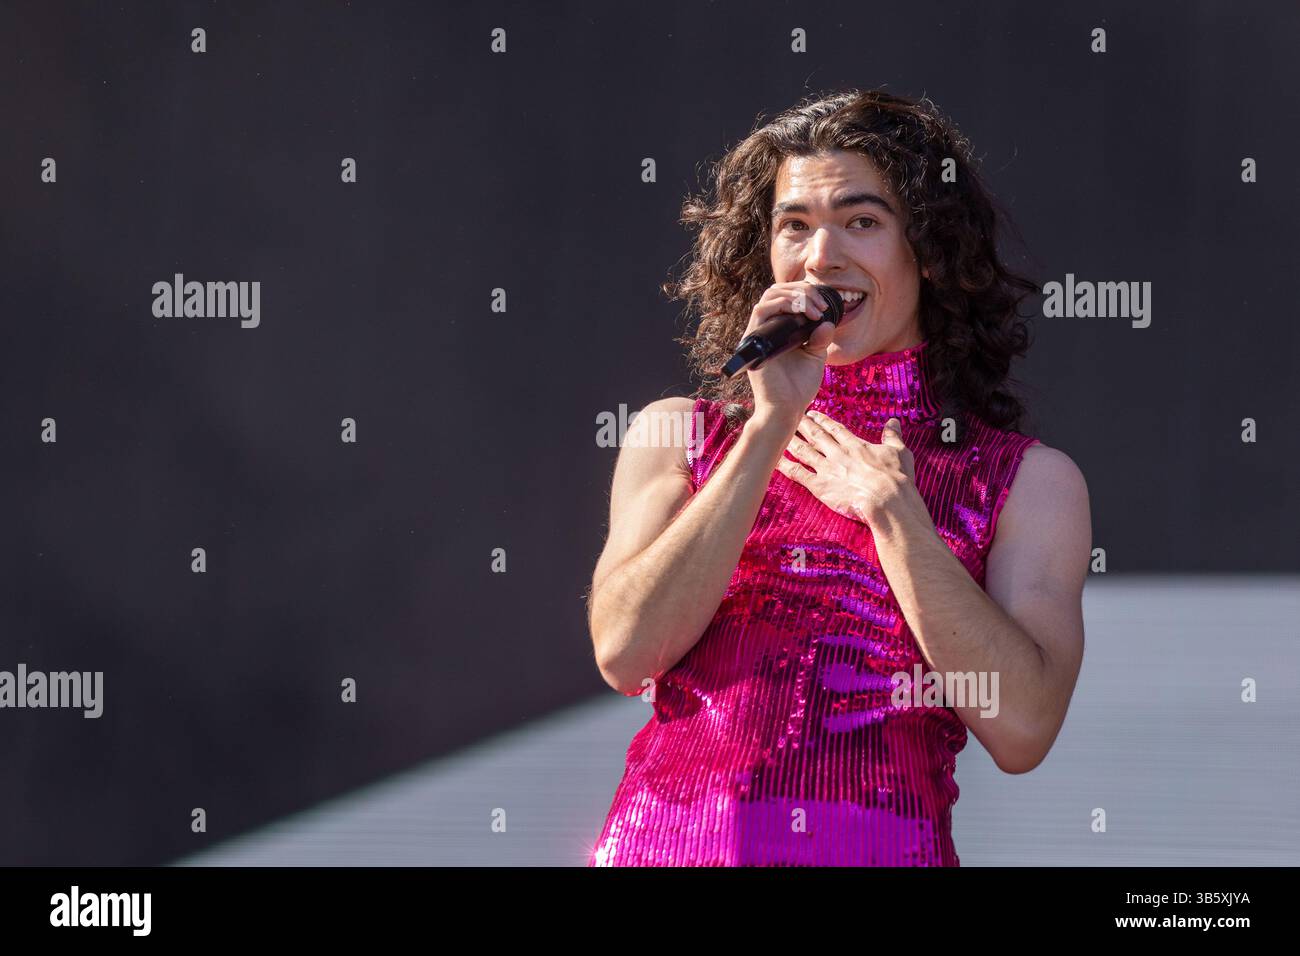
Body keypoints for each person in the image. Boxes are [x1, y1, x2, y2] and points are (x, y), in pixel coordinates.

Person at [585, 89, 1091, 866]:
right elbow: (625, 651)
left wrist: (898, 520)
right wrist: (766, 430)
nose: (821, 255)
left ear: (929, 249)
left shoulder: (1026, 480)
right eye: (795, 225)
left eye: (861, 221)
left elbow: (1023, 728)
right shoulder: (679, 432)